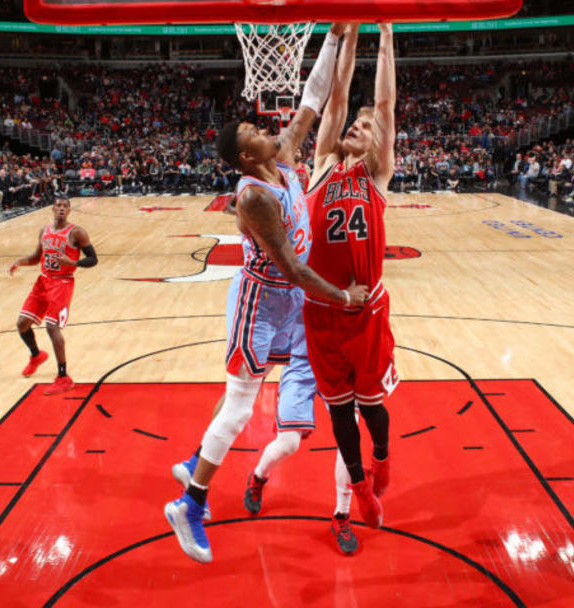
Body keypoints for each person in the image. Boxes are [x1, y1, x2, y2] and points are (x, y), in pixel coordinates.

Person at [164, 22, 368, 565]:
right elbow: (296, 269)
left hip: (291, 305)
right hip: (262, 300)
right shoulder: (254, 197)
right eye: (251, 129)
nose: (262, 126)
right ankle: (190, 503)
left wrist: (336, 36)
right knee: (238, 409)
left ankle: (197, 461)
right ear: (243, 155)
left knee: (255, 405)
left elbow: (312, 100)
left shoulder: (279, 158)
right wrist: (345, 298)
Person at [303, 22, 398, 532]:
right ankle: (359, 488)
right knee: (339, 413)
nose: (354, 129)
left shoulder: (376, 173)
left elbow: (382, 107)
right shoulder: (322, 164)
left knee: (371, 407)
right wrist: (351, 32)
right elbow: (337, 96)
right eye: (352, 127)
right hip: (322, 311)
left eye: (362, 130)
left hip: (366, 312)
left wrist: (384, 32)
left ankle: (382, 455)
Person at [9, 197, 97, 396]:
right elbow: (36, 258)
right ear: (52, 209)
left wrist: (73, 263)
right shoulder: (44, 231)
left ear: (69, 211)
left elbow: (93, 260)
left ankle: (64, 377)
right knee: (22, 323)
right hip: (43, 281)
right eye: (58, 205)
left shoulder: (77, 232)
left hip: (63, 282)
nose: (61, 209)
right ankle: (36, 355)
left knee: (51, 326)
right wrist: (20, 262)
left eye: (65, 206)